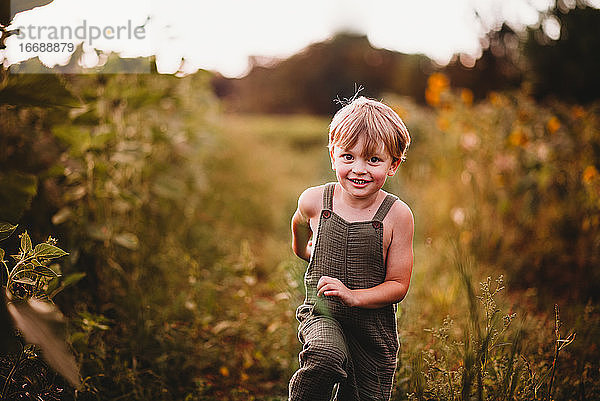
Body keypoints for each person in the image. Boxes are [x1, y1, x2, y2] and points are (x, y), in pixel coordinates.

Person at [288, 96, 414, 401]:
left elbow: (398, 285)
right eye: (348, 156)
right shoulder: (314, 201)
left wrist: (354, 296)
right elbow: (299, 225)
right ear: (333, 155)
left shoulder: (397, 216)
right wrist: (305, 250)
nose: (359, 169)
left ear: (393, 164)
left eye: (373, 160)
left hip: (372, 330)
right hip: (324, 313)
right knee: (324, 355)